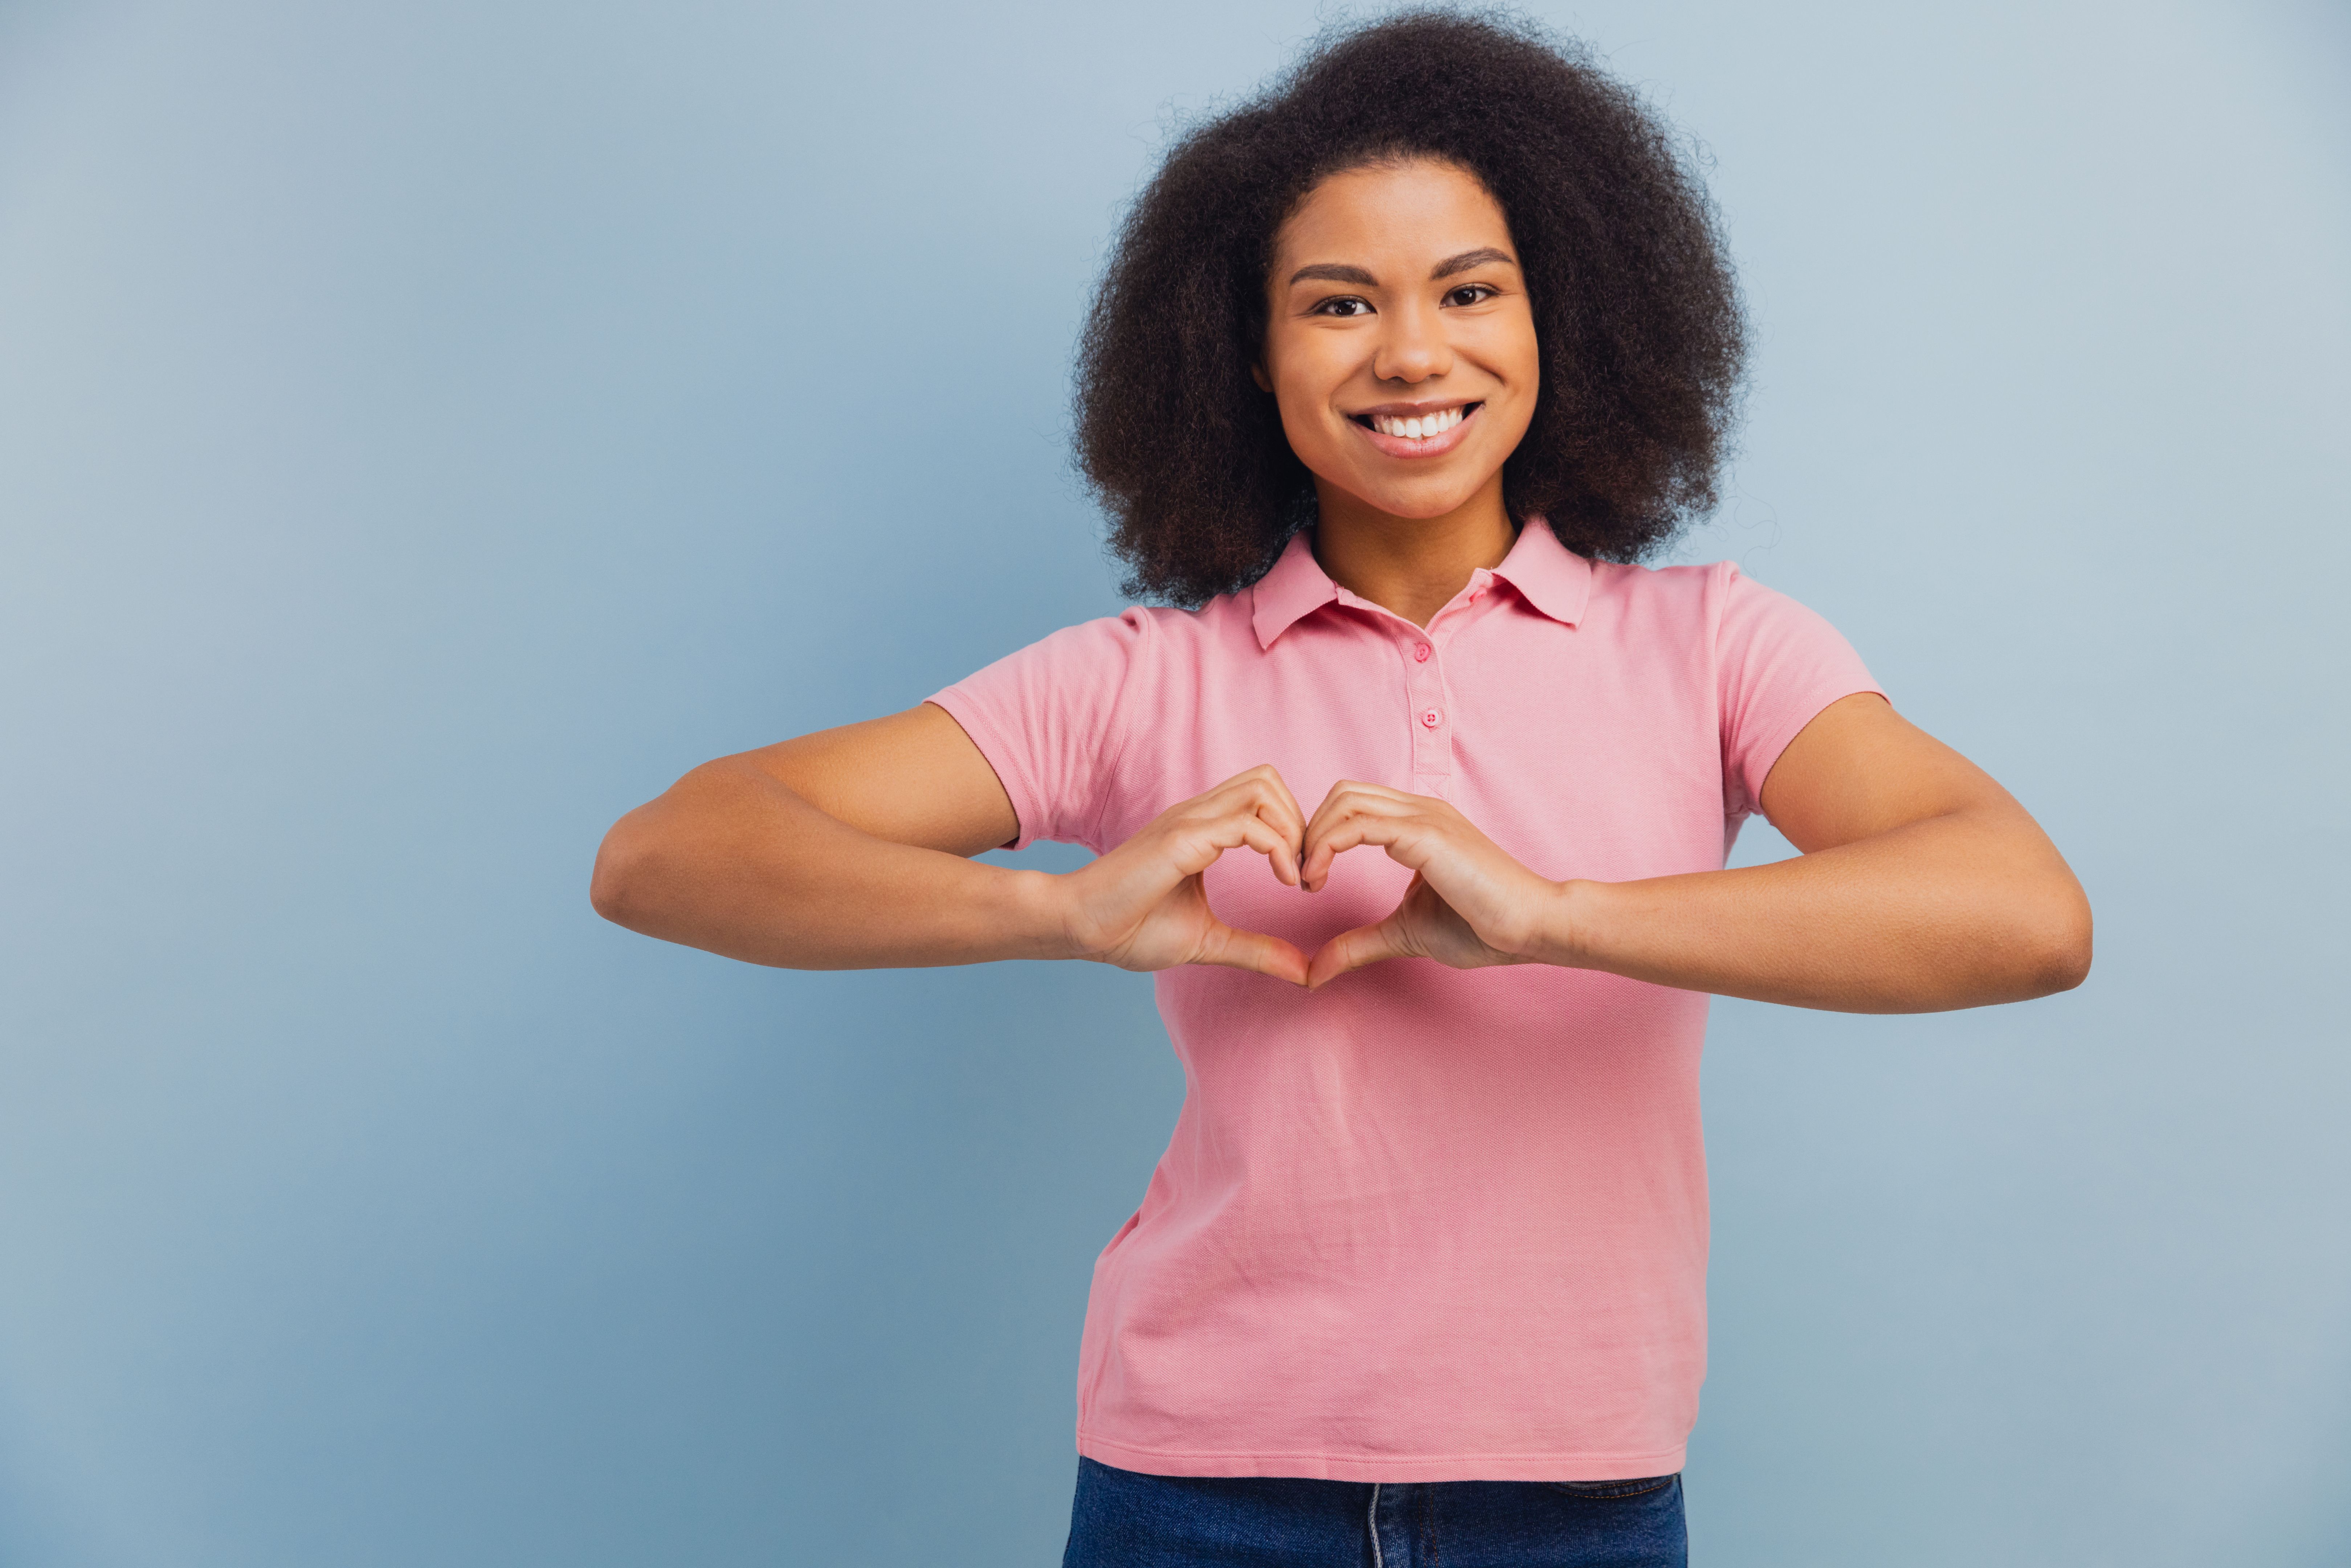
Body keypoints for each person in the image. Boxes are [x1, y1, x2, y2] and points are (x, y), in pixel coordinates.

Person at [589, 13, 2091, 1565]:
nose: (1412, 353)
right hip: (1193, 1492)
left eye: (1469, 290)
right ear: (1249, 351)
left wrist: (1557, 914)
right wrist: (1062, 913)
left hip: (1578, 1500)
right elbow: (668, 855)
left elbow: (2026, 913)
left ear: (1554, 315)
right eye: (1338, 303)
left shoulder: (1715, 645)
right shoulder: (1137, 679)